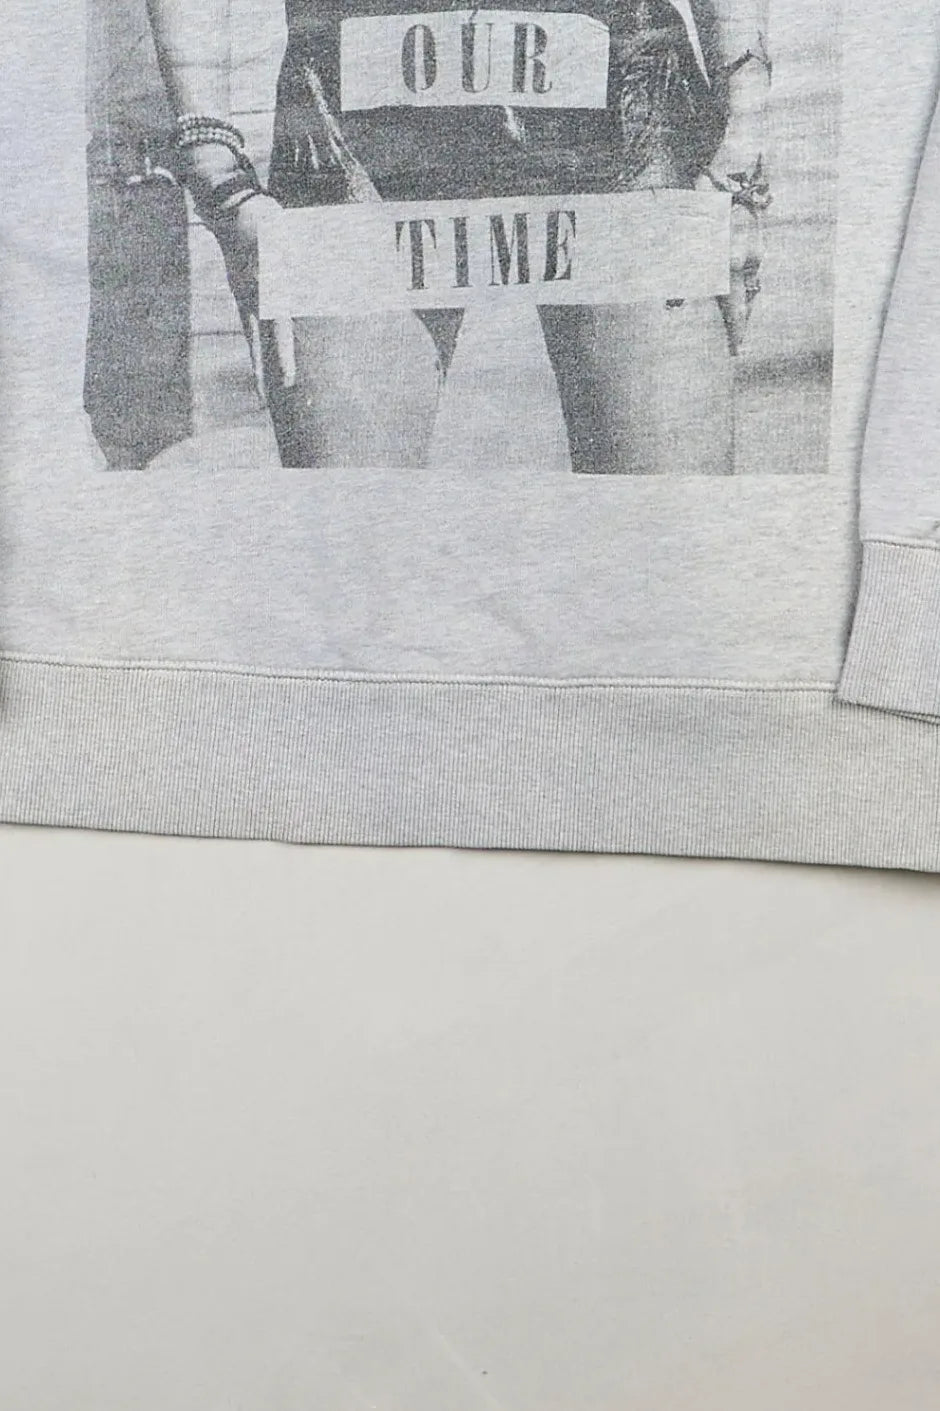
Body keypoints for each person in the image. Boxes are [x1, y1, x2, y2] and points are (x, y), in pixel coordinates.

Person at [146, 0, 770, 472]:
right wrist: (217, 172)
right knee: (350, 554)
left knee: (666, 547)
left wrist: (741, 151)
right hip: (355, 113)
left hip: (622, 96)